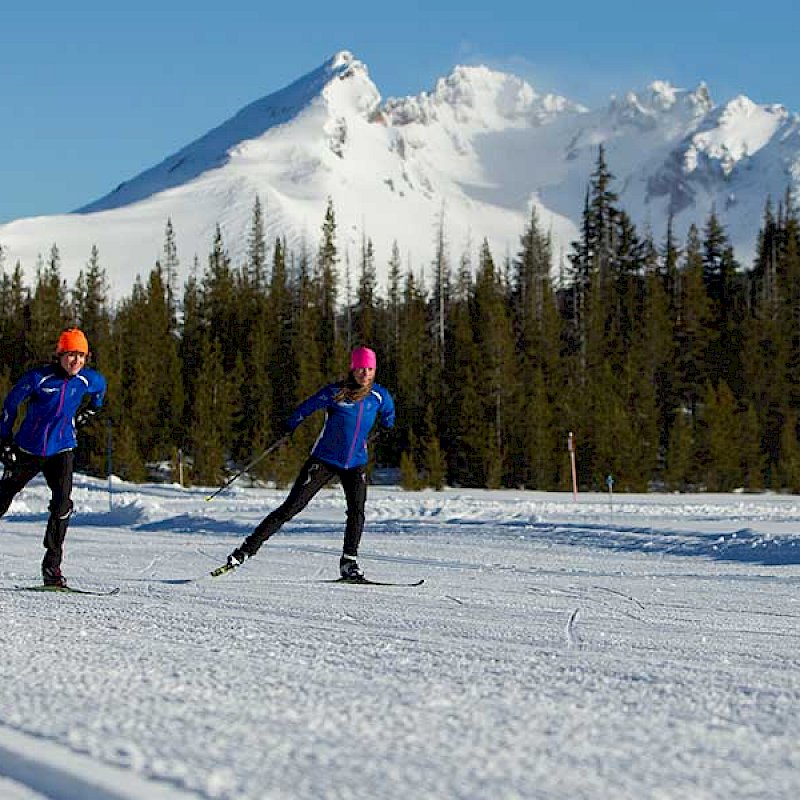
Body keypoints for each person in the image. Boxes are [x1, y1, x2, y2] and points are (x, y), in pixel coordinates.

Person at [225, 346, 395, 579]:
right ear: (352, 369)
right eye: (360, 369)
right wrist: (290, 424)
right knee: (290, 508)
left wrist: (387, 428)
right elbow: (307, 407)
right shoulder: (335, 392)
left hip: (355, 462)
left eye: (369, 369)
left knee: (357, 512)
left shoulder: (379, 395)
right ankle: (244, 551)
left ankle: (349, 562)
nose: (364, 373)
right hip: (324, 459)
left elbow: (389, 415)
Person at [0, 328, 107, 587]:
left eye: (81, 356)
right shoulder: (39, 378)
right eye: (71, 355)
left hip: (62, 450)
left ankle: (52, 568)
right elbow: (10, 404)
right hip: (28, 450)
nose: (76, 362)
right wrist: (4, 441)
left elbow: (100, 391)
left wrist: (88, 413)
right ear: (60, 355)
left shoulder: (87, 379)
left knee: (62, 506)